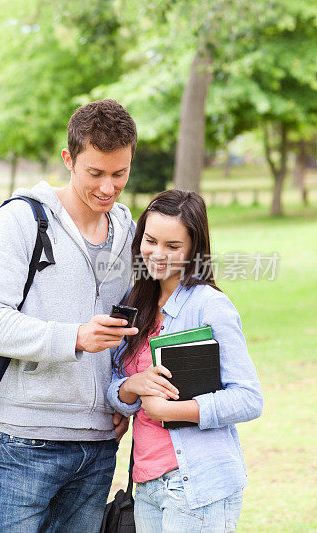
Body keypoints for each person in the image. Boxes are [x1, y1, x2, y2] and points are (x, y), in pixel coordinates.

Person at [0, 99, 140, 532]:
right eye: (95, 173)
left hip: (101, 443)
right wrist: (74, 337)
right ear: (69, 159)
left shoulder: (128, 230)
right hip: (27, 439)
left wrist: (122, 396)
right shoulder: (21, 220)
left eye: (119, 174)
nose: (107, 188)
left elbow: (133, 329)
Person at [107, 190, 263, 532]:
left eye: (172, 246)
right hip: (147, 484)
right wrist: (132, 387)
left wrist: (170, 411)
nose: (157, 254)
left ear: (194, 249)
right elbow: (116, 381)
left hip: (197, 486)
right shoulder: (137, 302)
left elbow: (249, 398)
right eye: (150, 240)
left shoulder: (209, 307)